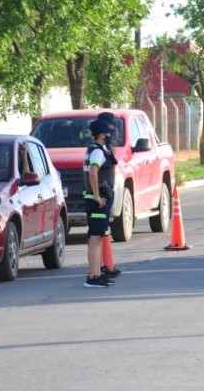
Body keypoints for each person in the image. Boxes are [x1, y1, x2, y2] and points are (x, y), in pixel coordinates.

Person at [82, 119, 116, 288]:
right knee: (96, 238)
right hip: (97, 200)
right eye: (108, 132)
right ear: (102, 135)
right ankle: (92, 276)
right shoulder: (97, 152)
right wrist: (96, 195)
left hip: (97, 199)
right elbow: (93, 172)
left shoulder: (97, 149)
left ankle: (96, 273)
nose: (110, 135)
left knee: (98, 237)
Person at [97, 111, 121, 280]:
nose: (113, 130)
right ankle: (100, 268)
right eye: (111, 126)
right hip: (102, 192)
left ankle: (105, 265)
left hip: (107, 189)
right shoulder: (98, 148)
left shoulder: (106, 146)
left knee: (103, 230)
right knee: (98, 232)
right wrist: (98, 195)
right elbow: (93, 172)